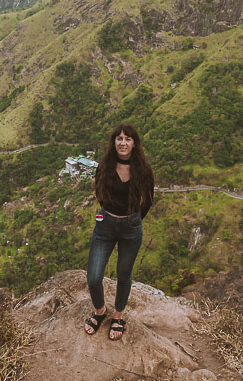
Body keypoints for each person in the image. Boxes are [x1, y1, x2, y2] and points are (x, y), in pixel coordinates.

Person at [83, 123, 154, 341]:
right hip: (105, 224)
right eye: (119, 138)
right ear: (114, 142)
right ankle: (100, 311)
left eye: (128, 139)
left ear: (134, 143)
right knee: (94, 276)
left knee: (124, 275)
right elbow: (100, 193)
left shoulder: (143, 170)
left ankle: (118, 316)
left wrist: (133, 220)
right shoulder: (104, 166)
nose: (123, 142)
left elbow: (148, 200)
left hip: (130, 228)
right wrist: (110, 214)